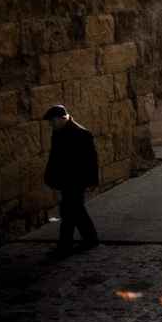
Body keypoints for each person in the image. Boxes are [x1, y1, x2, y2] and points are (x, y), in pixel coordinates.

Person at [43, 104, 99, 258]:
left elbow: (91, 160)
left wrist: (92, 181)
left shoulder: (81, 134)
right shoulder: (58, 132)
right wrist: (50, 176)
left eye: (52, 121)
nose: (50, 124)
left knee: (69, 212)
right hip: (65, 179)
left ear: (62, 118)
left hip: (77, 180)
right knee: (76, 211)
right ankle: (90, 239)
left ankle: (65, 245)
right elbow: (54, 158)